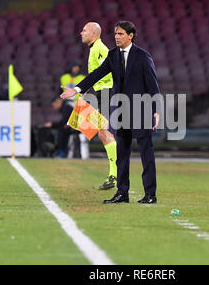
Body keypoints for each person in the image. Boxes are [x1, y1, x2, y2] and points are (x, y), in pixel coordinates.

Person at [61, 21, 161, 204]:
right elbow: (97, 74)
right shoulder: (113, 55)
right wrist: (76, 89)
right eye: (116, 33)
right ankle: (122, 193)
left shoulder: (143, 56)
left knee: (146, 152)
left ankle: (150, 194)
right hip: (121, 109)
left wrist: (156, 110)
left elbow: (153, 85)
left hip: (141, 108)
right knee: (122, 153)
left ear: (130, 36)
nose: (116, 37)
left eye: (121, 34)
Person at [80, 22, 118, 190]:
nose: (81, 33)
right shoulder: (94, 49)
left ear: (94, 33)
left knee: (104, 130)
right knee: (100, 130)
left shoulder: (100, 49)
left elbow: (109, 70)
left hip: (107, 93)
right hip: (101, 93)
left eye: (84, 30)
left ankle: (115, 175)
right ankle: (115, 173)